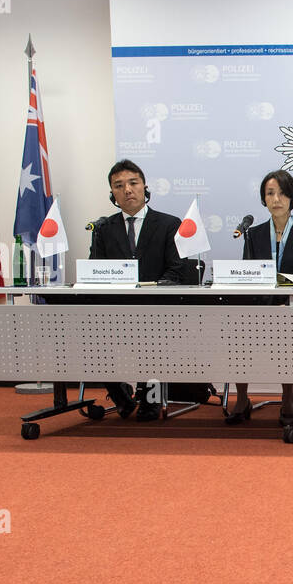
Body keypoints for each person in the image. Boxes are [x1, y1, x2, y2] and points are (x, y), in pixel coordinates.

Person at [89, 159, 193, 420]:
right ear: (112, 193)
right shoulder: (103, 229)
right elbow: (95, 271)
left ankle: (151, 399)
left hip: (157, 308)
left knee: (154, 334)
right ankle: (120, 395)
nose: (127, 190)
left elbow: (176, 269)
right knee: (89, 333)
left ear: (145, 187)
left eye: (133, 183)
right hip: (115, 309)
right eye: (119, 186)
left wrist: (153, 291)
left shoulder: (169, 224)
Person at [227, 170, 293, 423]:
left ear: (292, 197)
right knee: (236, 330)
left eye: (281, 193)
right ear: (263, 199)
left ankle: (289, 396)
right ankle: (242, 398)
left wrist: (286, 305)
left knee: (287, 327)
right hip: (259, 308)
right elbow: (247, 277)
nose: (276, 199)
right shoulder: (253, 234)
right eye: (270, 194)